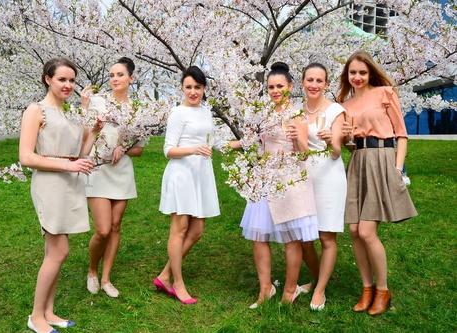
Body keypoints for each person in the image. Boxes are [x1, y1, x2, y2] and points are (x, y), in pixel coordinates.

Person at [19, 58, 103, 333]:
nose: (68, 85)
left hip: (70, 182)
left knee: (54, 253)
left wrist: (93, 133)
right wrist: (69, 165)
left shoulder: (69, 114)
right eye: (62, 80)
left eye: (71, 80)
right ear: (48, 79)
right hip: (49, 184)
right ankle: (36, 316)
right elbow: (26, 157)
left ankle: (49, 312)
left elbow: (80, 155)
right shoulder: (36, 110)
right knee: (59, 250)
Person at [338, 50, 417, 316]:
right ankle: (367, 288)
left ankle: (383, 290)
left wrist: (397, 168)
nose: (357, 77)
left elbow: (402, 135)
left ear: (370, 72)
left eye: (362, 72)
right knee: (354, 231)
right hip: (358, 162)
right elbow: (350, 147)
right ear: (347, 75)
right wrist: (347, 139)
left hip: (383, 159)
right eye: (353, 73)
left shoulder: (385, 93)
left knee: (367, 232)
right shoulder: (344, 105)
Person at [154, 66, 238, 305]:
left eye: (197, 87)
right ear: (182, 87)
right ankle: (176, 283)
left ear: (204, 89)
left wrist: (245, 142)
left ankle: (165, 275)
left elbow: (216, 143)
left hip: (200, 174)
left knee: (197, 231)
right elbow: (168, 150)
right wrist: (193, 149)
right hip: (182, 174)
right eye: (189, 87)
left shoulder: (206, 112)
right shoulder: (178, 113)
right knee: (179, 230)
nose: (193, 92)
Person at [240, 62, 319, 309]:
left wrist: (298, 140)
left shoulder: (297, 116)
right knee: (258, 235)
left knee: (291, 239)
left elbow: (305, 156)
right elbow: (256, 145)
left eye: (279, 86)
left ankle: (289, 290)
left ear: (290, 87)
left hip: (290, 181)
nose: (275, 91)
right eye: (271, 87)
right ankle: (266, 289)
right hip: (265, 179)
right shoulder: (263, 115)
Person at [82, 57, 145, 298]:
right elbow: (85, 135)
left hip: (121, 172)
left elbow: (139, 149)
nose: (114, 79)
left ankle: (106, 278)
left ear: (131, 78)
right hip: (97, 169)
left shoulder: (137, 111)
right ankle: (92, 271)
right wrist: (85, 107)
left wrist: (124, 148)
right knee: (103, 230)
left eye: (120, 75)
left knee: (116, 226)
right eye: (111, 75)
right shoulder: (98, 102)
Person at [297, 62, 347, 311]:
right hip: (303, 177)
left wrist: (331, 142)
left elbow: (338, 153)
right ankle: (316, 278)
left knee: (326, 236)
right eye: (310, 80)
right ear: (303, 82)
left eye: (319, 81)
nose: (314, 85)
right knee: (304, 238)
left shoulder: (336, 110)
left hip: (329, 176)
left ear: (326, 84)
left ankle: (320, 289)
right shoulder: (296, 111)